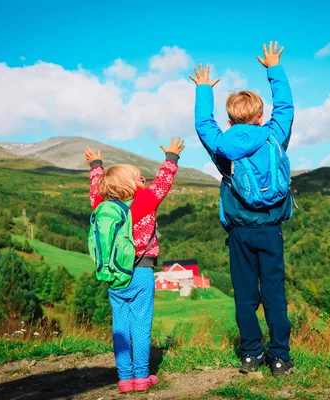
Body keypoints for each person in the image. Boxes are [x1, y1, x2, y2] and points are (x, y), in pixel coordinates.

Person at [189, 42, 295, 376]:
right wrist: (274, 68)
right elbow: (287, 107)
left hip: (240, 234)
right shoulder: (274, 137)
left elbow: (203, 126)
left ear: (230, 118)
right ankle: (280, 358)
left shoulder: (223, 148)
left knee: (246, 296)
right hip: (271, 231)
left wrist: (204, 89)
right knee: (275, 294)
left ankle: (251, 355)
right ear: (260, 115)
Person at [85, 137, 185, 392]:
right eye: (138, 176)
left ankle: (124, 379)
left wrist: (96, 165)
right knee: (141, 325)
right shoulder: (144, 202)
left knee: (120, 327)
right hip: (141, 271)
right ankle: (141, 377)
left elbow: (95, 190)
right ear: (128, 184)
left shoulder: (102, 207)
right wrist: (171, 157)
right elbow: (162, 183)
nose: (143, 178)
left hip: (114, 275)